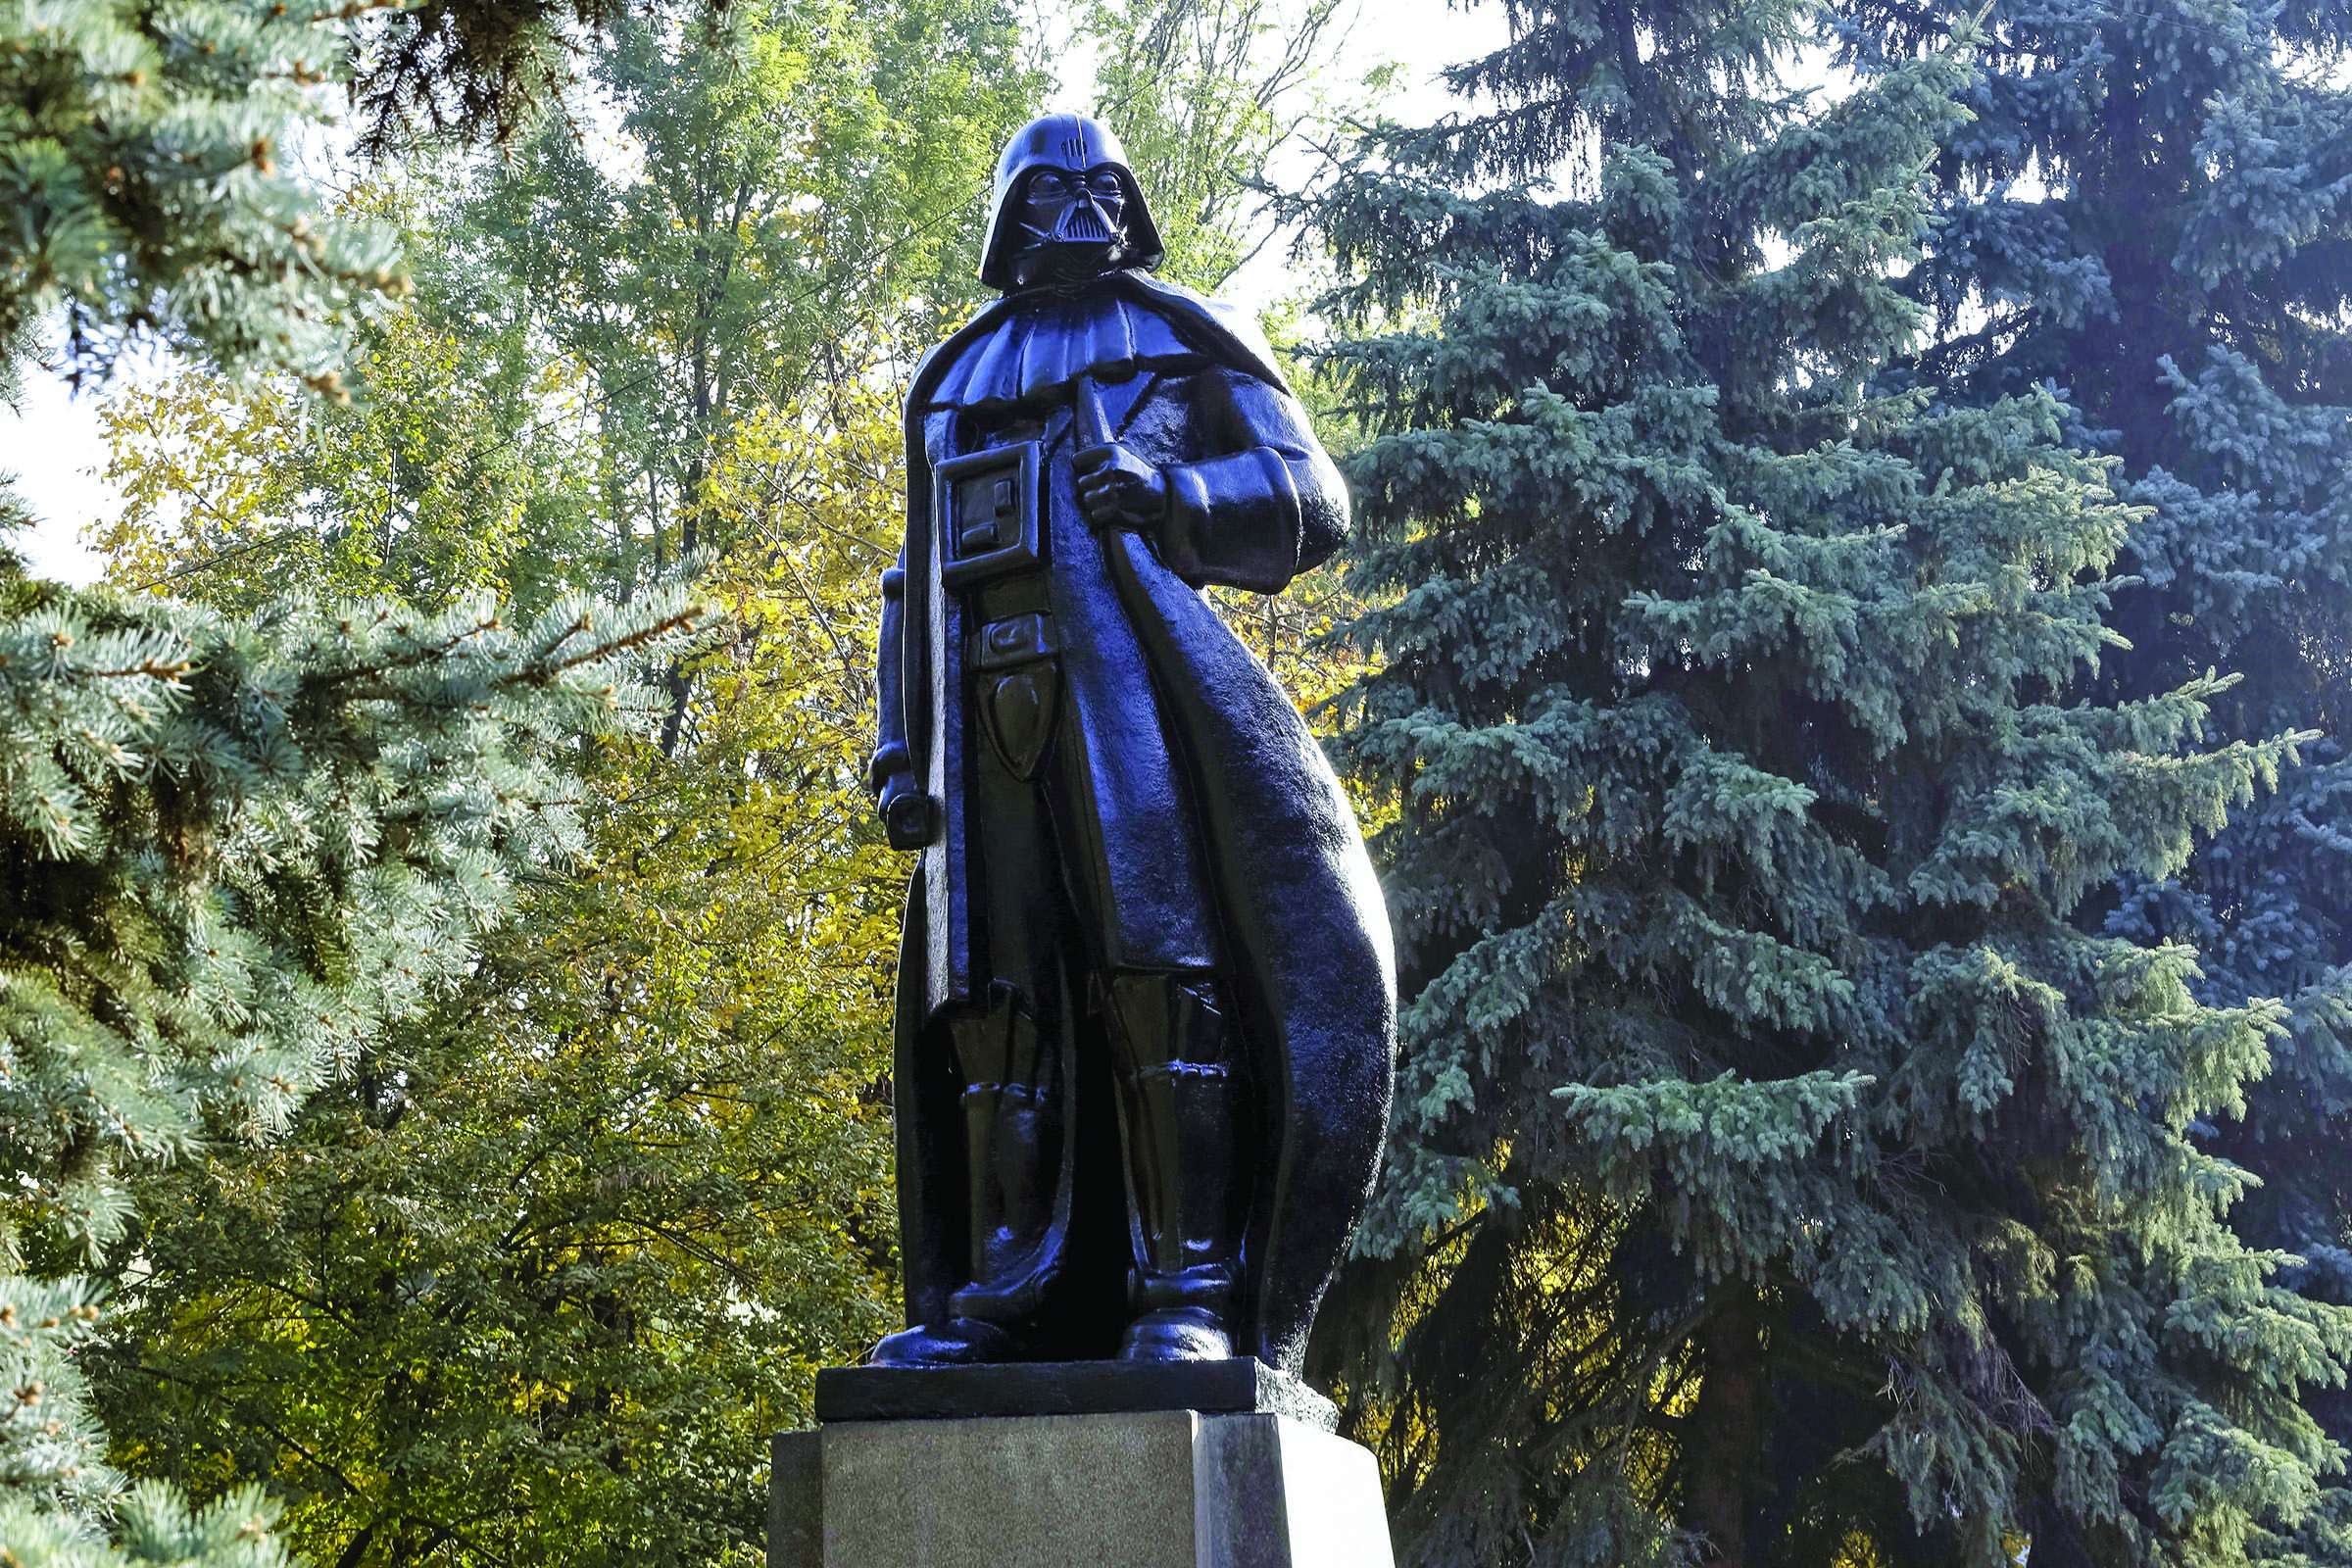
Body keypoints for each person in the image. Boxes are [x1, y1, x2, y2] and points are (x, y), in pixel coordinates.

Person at [868, 112, 1394, 1372]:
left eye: (1105, 188)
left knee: (1161, 978)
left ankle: (1189, 1297)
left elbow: (1316, 499)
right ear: (1010, 211)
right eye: (1052, 190)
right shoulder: (950, 378)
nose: (1083, 214)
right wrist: (899, 750)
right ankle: (1006, 1295)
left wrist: (1182, 498)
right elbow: (913, 576)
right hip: (977, 725)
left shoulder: (1181, 335)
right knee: (992, 1006)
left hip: (1133, 702)